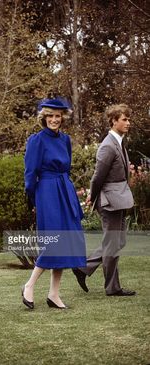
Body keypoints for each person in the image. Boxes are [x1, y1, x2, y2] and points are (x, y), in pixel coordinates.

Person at [22, 98, 86, 309]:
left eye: (58, 116)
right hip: (47, 191)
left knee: (65, 242)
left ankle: (54, 294)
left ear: (62, 117)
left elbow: (66, 167)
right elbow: (30, 174)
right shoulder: (36, 140)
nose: (54, 120)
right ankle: (29, 286)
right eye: (50, 116)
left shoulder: (66, 140)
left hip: (64, 189)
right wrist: (33, 199)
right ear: (43, 117)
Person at [73, 103, 136, 296]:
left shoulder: (118, 142)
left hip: (119, 199)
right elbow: (98, 176)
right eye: (124, 119)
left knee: (117, 242)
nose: (128, 123)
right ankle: (110, 286)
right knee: (113, 242)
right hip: (109, 201)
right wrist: (92, 196)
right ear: (113, 121)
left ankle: (85, 269)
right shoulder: (108, 146)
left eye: (128, 119)